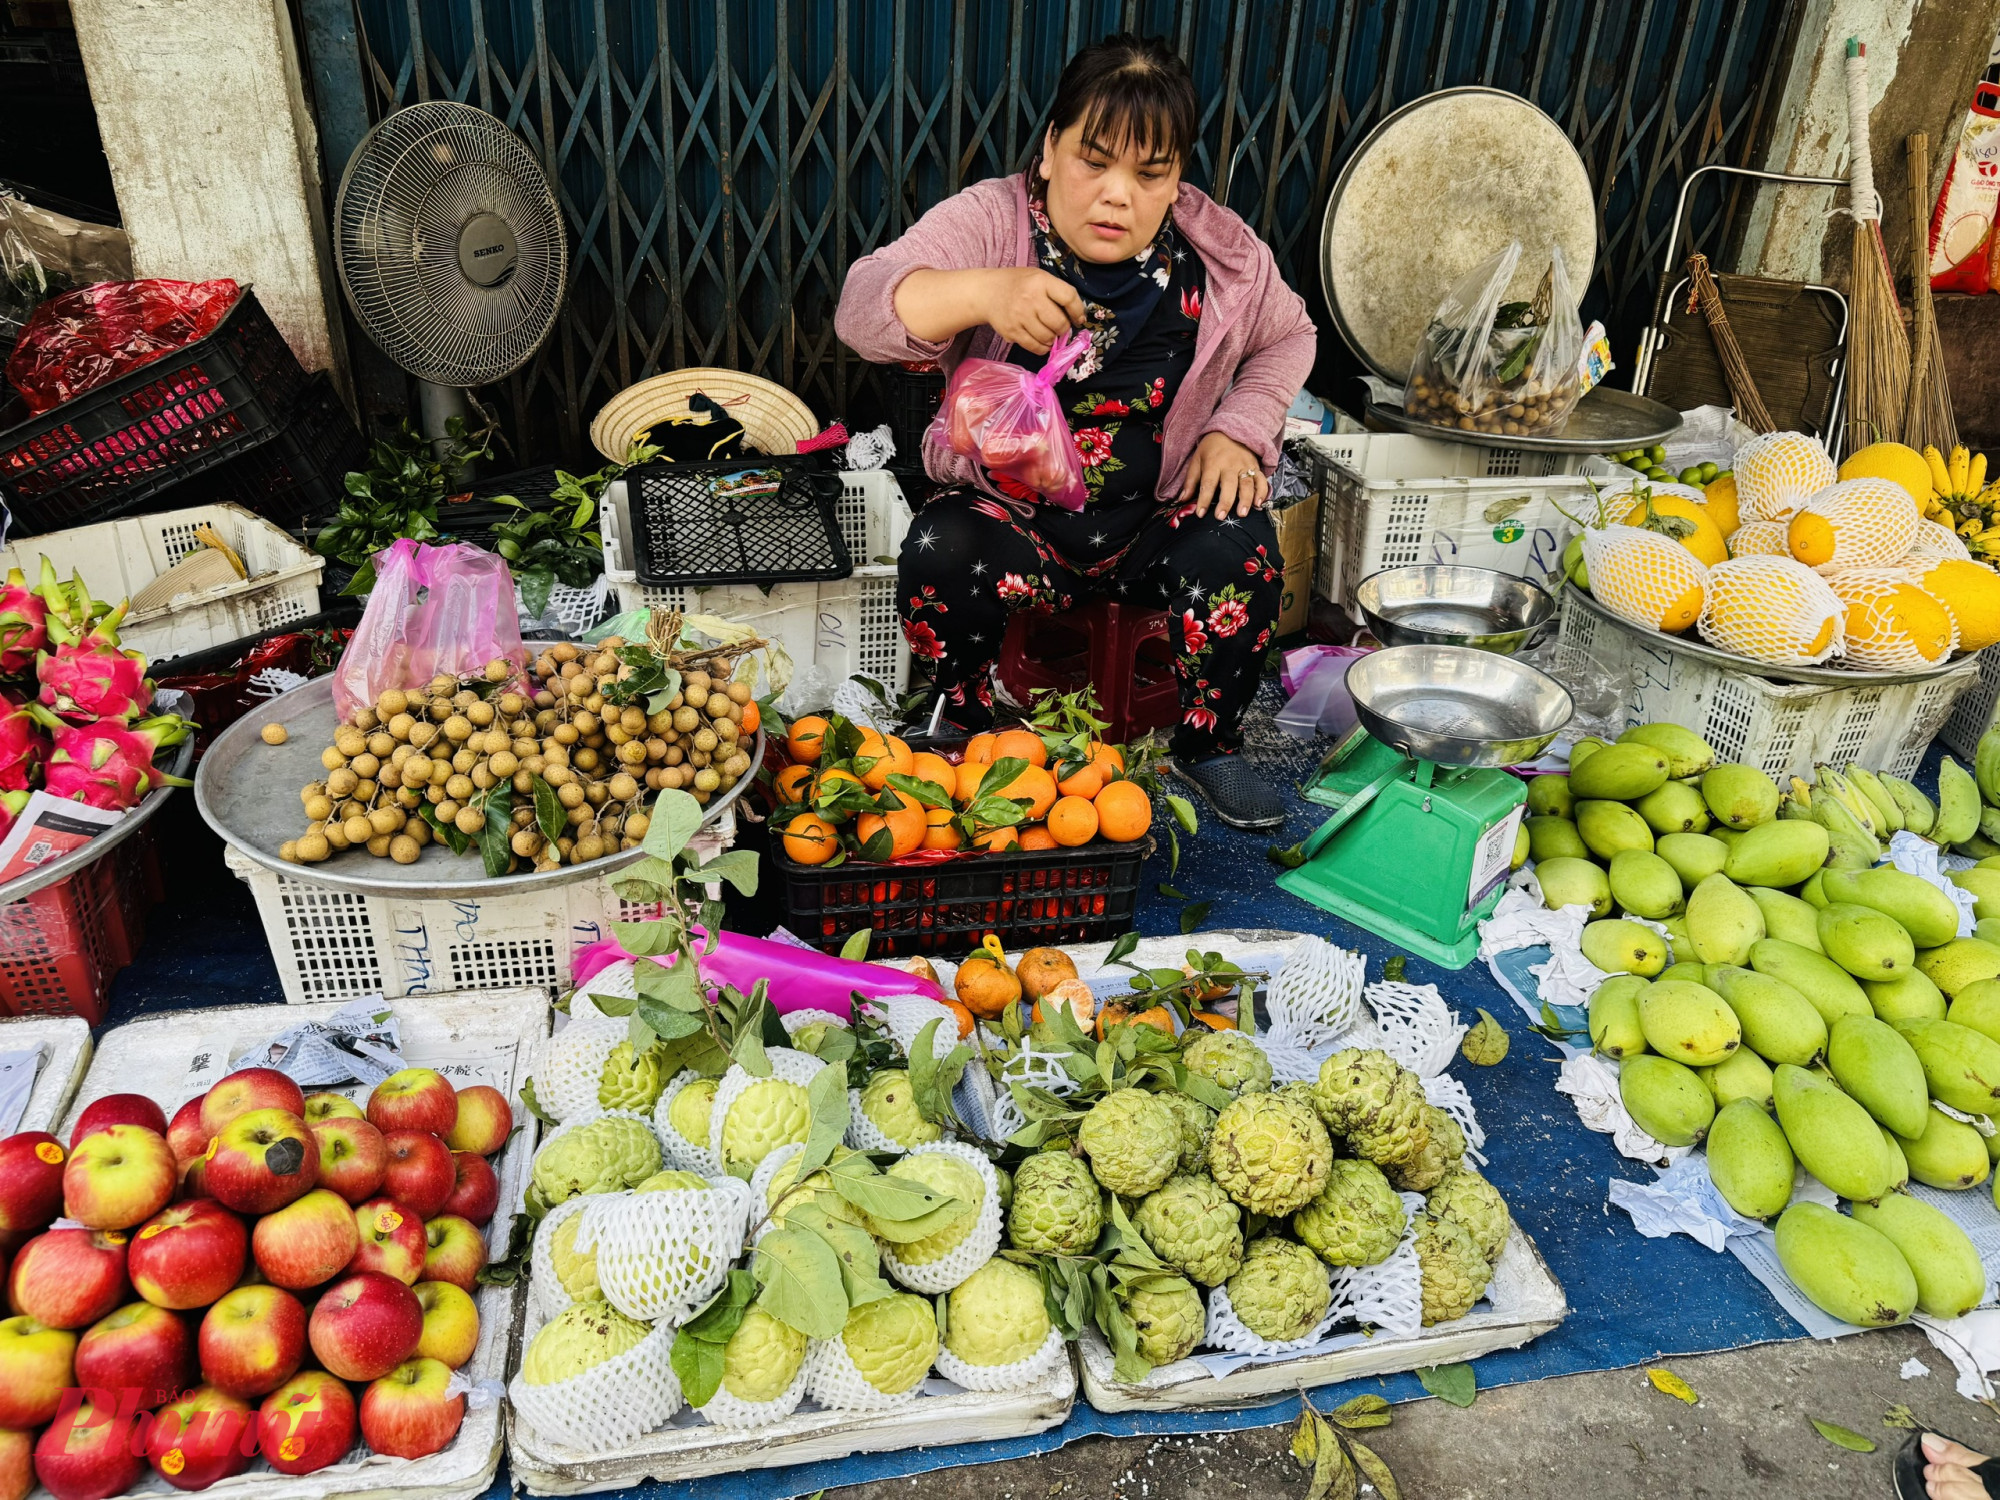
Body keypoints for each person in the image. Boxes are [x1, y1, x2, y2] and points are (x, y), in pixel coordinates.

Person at [836, 33, 1315, 830]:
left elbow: (1290, 334)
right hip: (1018, 519)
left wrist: (1240, 427)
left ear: (1176, 182)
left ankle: (1209, 745)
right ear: (1051, 151)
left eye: (1149, 173)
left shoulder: (1219, 250)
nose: (1116, 195)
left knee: (1246, 547)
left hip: (1156, 517)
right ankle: (965, 716)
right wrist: (986, 292)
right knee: (939, 547)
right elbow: (864, 306)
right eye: (1094, 160)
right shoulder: (992, 221)